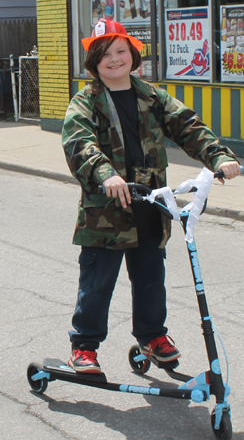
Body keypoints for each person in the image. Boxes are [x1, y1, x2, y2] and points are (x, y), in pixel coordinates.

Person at [62, 18, 241, 374]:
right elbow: (79, 143)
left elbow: (188, 126)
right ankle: (84, 346)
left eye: (120, 51)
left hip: (151, 203)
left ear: (132, 53)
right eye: (104, 54)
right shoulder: (86, 101)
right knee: (97, 282)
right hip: (107, 212)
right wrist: (106, 174)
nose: (114, 60)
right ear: (93, 62)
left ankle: (152, 337)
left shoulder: (151, 95)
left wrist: (219, 157)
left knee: (150, 278)